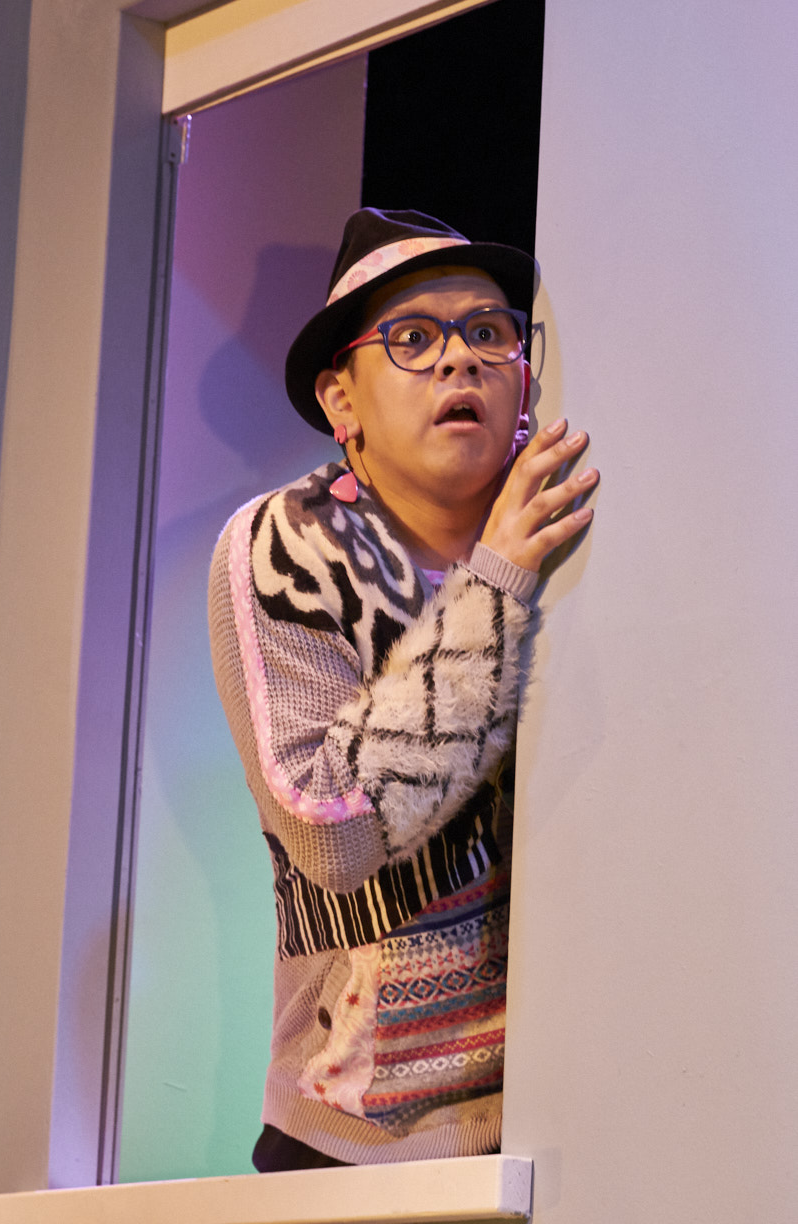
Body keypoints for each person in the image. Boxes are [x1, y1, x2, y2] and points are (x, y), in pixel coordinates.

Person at [208, 208, 598, 1171]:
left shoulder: (584, 535)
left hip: (575, 1119)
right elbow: (331, 833)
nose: (459, 358)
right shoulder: (289, 545)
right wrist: (493, 589)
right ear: (340, 398)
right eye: (413, 339)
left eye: (488, 332)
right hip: (357, 1148)